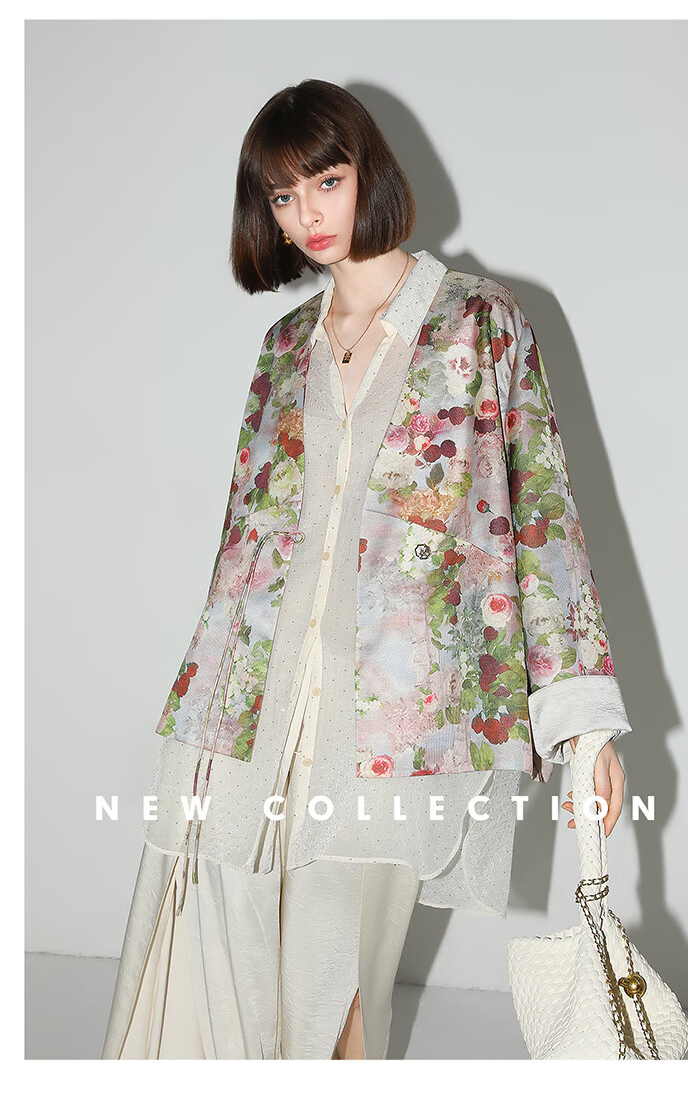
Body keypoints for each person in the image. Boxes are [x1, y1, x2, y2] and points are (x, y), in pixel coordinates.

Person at [101, 79, 631, 1061]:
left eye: (326, 181)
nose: (307, 214)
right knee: (229, 970)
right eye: (282, 195)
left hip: (393, 720)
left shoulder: (479, 322)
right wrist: (203, 703)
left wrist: (582, 722)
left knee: (345, 980)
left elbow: (544, 518)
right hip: (253, 711)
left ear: (368, 173)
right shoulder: (281, 350)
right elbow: (244, 546)